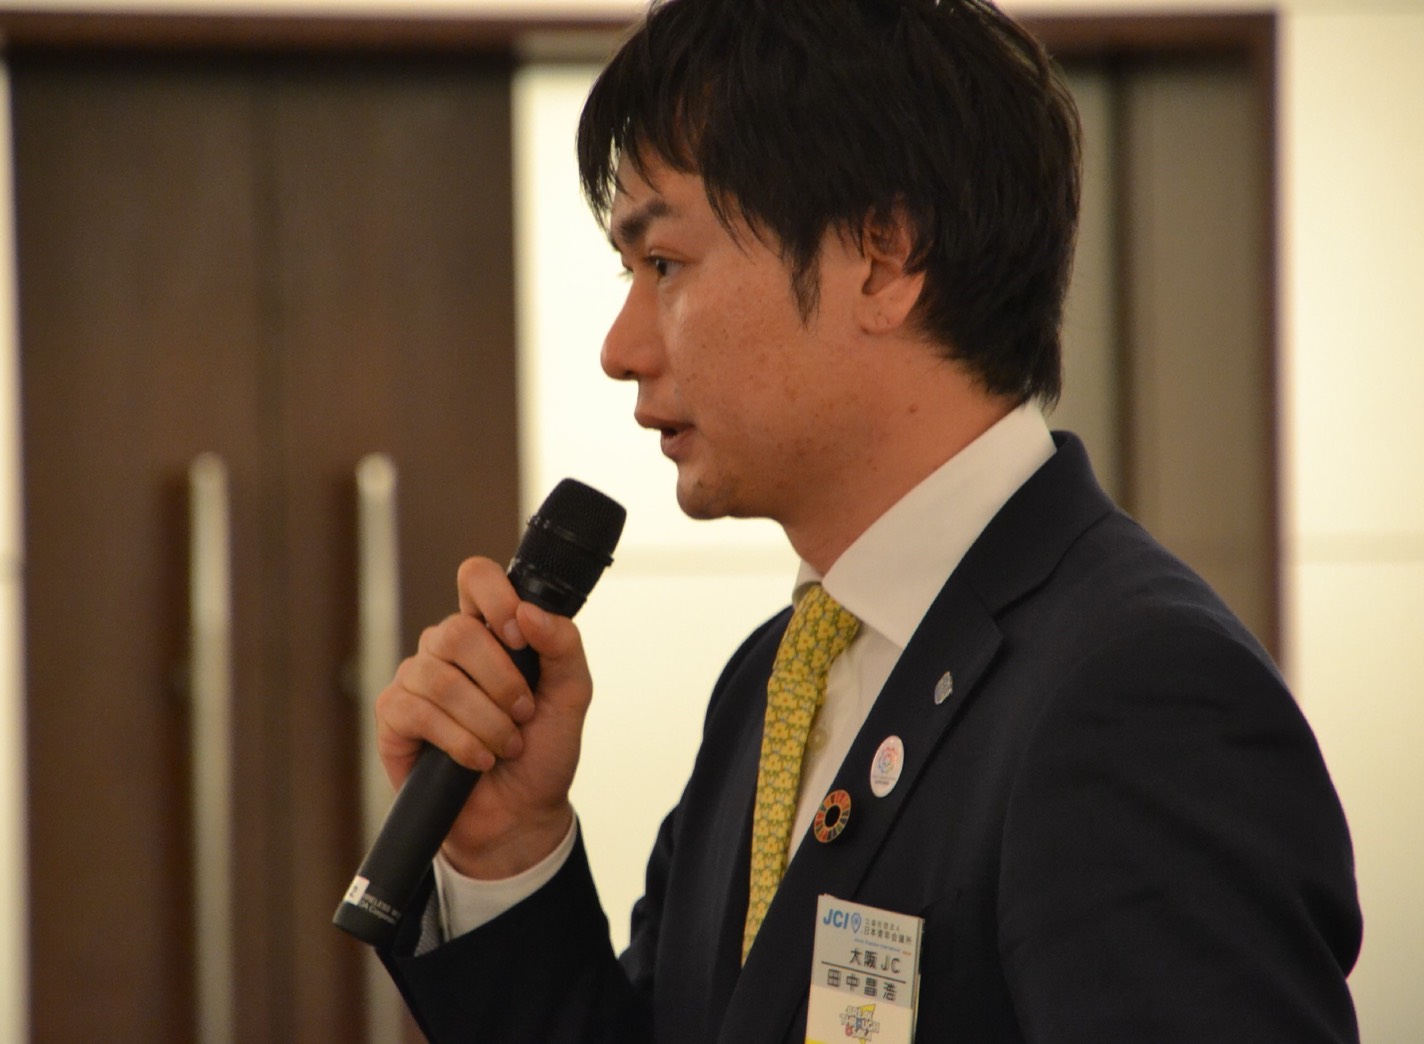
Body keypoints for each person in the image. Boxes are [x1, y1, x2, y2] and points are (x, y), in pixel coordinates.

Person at [370, 1, 1362, 1040]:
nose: (620, 348)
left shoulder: (1139, 693)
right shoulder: (774, 678)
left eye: (662, 264)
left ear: (882, 260)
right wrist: (507, 848)